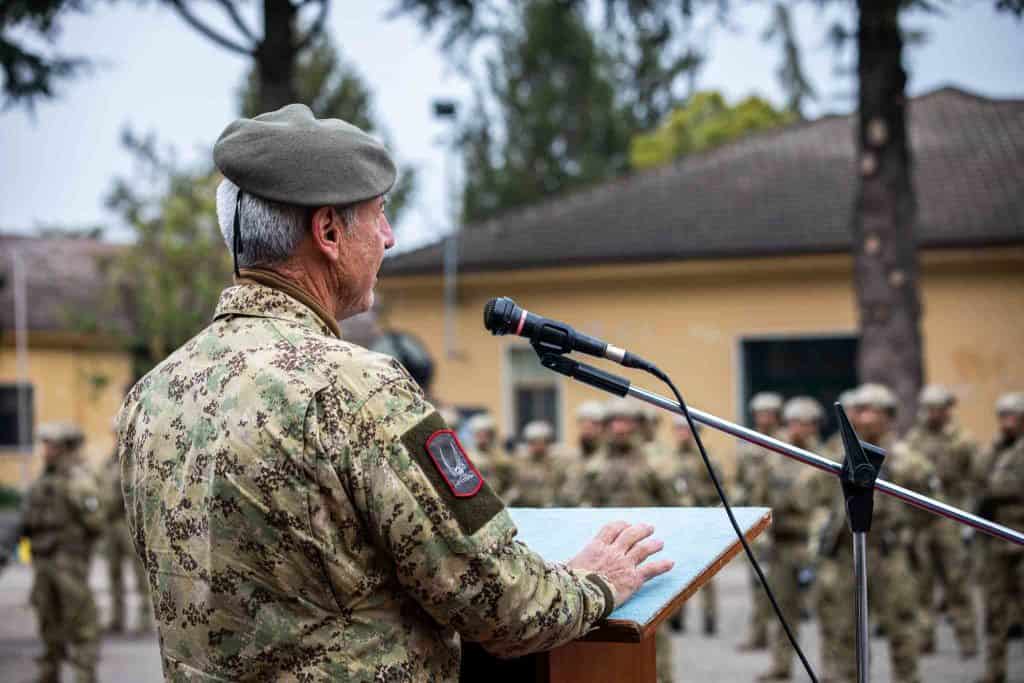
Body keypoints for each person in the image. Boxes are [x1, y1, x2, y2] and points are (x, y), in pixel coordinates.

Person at [116, 105, 673, 681]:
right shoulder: (358, 389)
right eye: (379, 215)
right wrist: (597, 582)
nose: (389, 236)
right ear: (328, 232)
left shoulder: (152, 395)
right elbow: (503, 605)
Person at [816, 384, 926, 683]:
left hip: (889, 554)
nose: (861, 417)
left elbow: (928, 506)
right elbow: (818, 497)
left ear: (887, 416)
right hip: (847, 554)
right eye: (858, 410)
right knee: (847, 631)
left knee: (902, 628)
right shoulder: (841, 454)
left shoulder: (904, 457)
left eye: (869, 411)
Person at [577, 397, 679, 682]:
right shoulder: (594, 465)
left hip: (647, 554)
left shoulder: (657, 462)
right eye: (613, 422)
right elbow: (576, 504)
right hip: (603, 559)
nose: (620, 429)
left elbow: (679, 507)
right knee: (603, 625)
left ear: (636, 425)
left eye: (626, 422)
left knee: (656, 625)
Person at [22, 422, 103, 683]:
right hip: (46, 565)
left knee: (82, 627)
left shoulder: (76, 481)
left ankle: (83, 676)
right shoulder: (46, 481)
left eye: (50, 445)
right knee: (51, 626)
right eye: (44, 444)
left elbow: (95, 521)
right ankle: (50, 674)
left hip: (68, 567)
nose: (44, 450)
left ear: (64, 448)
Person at [902, 384, 978, 657]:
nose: (932, 414)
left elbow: (975, 480)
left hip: (949, 517)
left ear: (947, 410)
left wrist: (969, 517)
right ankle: (925, 638)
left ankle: (967, 638)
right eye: (927, 408)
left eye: (937, 408)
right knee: (921, 583)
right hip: (920, 520)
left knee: (956, 582)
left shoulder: (962, 440)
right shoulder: (914, 440)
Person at [758, 397, 825, 681]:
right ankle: (781, 665)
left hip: (814, 546)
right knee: (783, 609)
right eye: (794, 422)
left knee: (829, 610)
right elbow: (759, 499)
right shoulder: (773, 459)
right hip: (782, 545)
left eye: (805, 423)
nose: (798, 428)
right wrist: (760, 537)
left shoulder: (825, 459)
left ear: (815, 427)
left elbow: (829, 505)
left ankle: (833, 667)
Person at [975, 391, 1024, 683]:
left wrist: (991, 487)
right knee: (994, 609)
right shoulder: (996, 450)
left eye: (1013, 417)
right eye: (1002, 417)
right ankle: (995, 670)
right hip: (996, 541)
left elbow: (1008, 487)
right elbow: (978, 476)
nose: (1007, 423)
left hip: (1019, 536)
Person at [736, 391, 783, 652]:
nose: (763, 418)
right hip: (755, 522)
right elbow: (743, 484)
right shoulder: (748, 448)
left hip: (783, 523)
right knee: (757, 581)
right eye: (759, 414)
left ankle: (780, 638)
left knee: (782, 586)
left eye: (768, 413)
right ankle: (758, 632)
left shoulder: (786, 445)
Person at [101, 423, 153, 636]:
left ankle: (144, 618)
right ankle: (117, 617)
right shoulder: (109, 462)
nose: (117, 437)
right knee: (114, 575)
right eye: (115, 434)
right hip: (110, 524)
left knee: (139, 575)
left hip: (128, 523)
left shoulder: (136, 460)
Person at [670, 415, 720, 635]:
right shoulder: (670, 459)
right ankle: (676, 616)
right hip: (679, 522)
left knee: (706, 573)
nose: (683, 434)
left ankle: (709, 618)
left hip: (701, 520)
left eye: (687, 430)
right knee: (678, 571)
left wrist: (698, 496)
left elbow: (719, 491)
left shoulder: (707, 459)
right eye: (679, 430)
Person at [504, 420, 562, 507]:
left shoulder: (557, 463)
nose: (537, 446)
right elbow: (513, 486)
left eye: (541, 442)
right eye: (533, 442)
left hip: (549, 508)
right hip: (525, 509)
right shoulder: (519, 463)